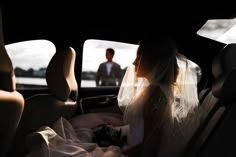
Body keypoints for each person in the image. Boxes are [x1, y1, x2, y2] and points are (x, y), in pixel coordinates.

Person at [25, 36, 202, 157]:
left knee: (59, 146)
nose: (133, 63)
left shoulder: (156, 95)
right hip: (129, 143)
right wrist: (114, 131)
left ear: (153, 60)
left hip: (134, 150)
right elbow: (142, 128)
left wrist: (116, 151)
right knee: (72, 135)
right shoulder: (154, 89)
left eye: (139, 57)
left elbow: (150, 148)